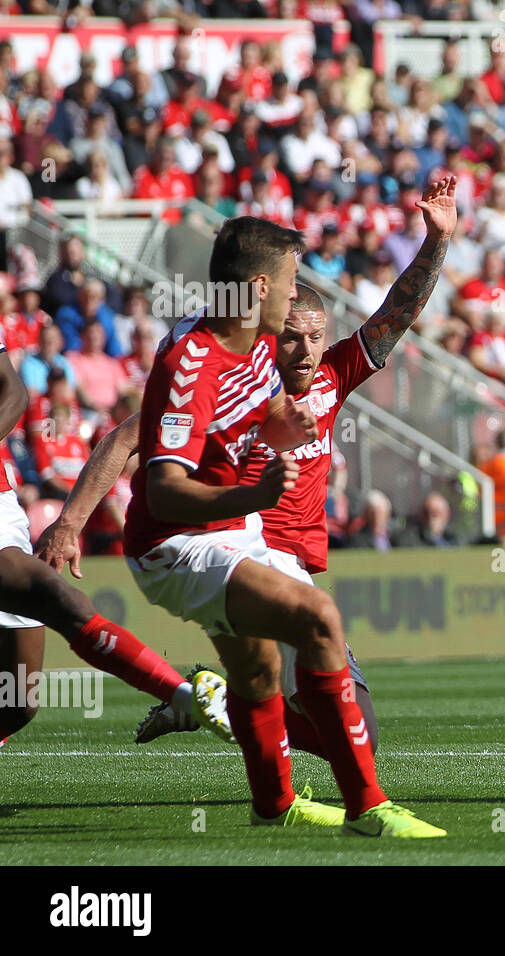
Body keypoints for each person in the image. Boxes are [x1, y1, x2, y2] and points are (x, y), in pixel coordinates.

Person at [39, 180, 460, 761]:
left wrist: (437, 243)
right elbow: (127, 439)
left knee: (329, 720)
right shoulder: (230, 371)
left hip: (285, 565)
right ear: (268, 328)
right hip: (247, 559)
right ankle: (337, 796)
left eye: (317, 338)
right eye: (294, 338)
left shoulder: (331, 382)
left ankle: (210, 704)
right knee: (346, 727)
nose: (307, 352)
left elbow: (397, 313)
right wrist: (70, 523)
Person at [104, 215, 441, 835]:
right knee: (320, 621)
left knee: (257, 675)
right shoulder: (191, 364)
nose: (296, 297)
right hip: (176, 545)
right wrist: (255, 490)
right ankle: (368, 808)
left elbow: (276, 401)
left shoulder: (264, 354)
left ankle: (272, 807)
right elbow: (162, 488)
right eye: (289, 283)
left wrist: (283, 424)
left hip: (240, 539)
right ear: (260, 288)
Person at [0, 326, 232, 749]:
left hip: (2, 504)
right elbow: (126, 437)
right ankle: (187, 698)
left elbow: (11, 389)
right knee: (60, 600)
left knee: (17, 703)